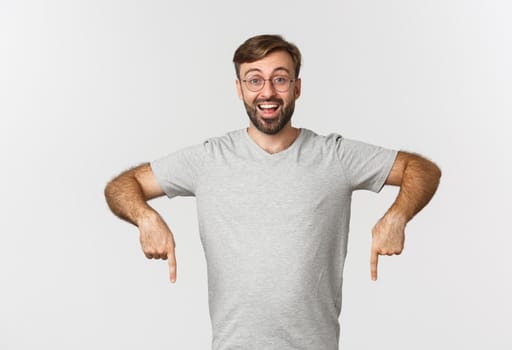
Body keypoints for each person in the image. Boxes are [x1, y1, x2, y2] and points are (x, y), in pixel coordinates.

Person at [104, 34, 441, 350]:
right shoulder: (208, 159)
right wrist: (145, 217)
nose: (267, 91)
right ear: (239, 89)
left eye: (280, 79)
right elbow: (122, 186)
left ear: (296, 87)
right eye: (254, 80)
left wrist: (397, 215)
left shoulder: (335, 156)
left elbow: (421, 170)